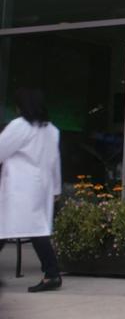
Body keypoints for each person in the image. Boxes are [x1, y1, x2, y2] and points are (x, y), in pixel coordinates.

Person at [0, 88, 63, 292]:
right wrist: (55, 188)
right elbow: (55, 161)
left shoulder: (20, 126)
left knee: (18, 228)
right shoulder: (51, 130)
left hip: (20, 187)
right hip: (40, 187)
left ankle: (52, 273)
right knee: (35, 230)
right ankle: (52, 273)